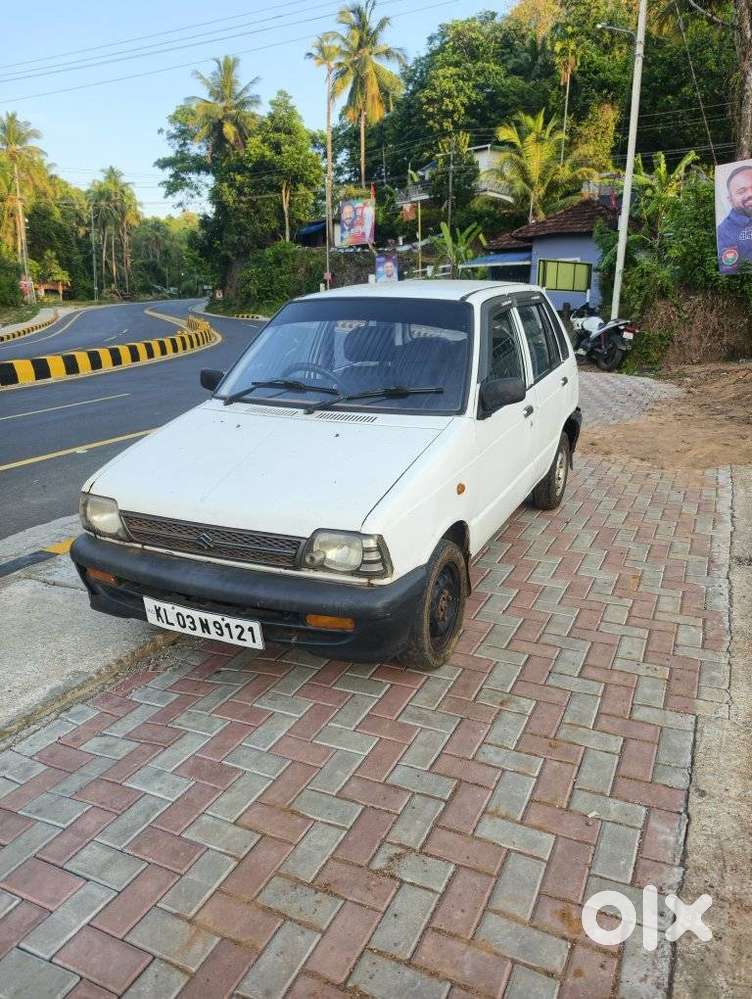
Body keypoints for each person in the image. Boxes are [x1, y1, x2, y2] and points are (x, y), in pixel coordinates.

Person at [717, 164, 752, 273]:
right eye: (741, 191)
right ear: (730, 200)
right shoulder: (724, 232)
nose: (750, 194)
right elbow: (732, 272)